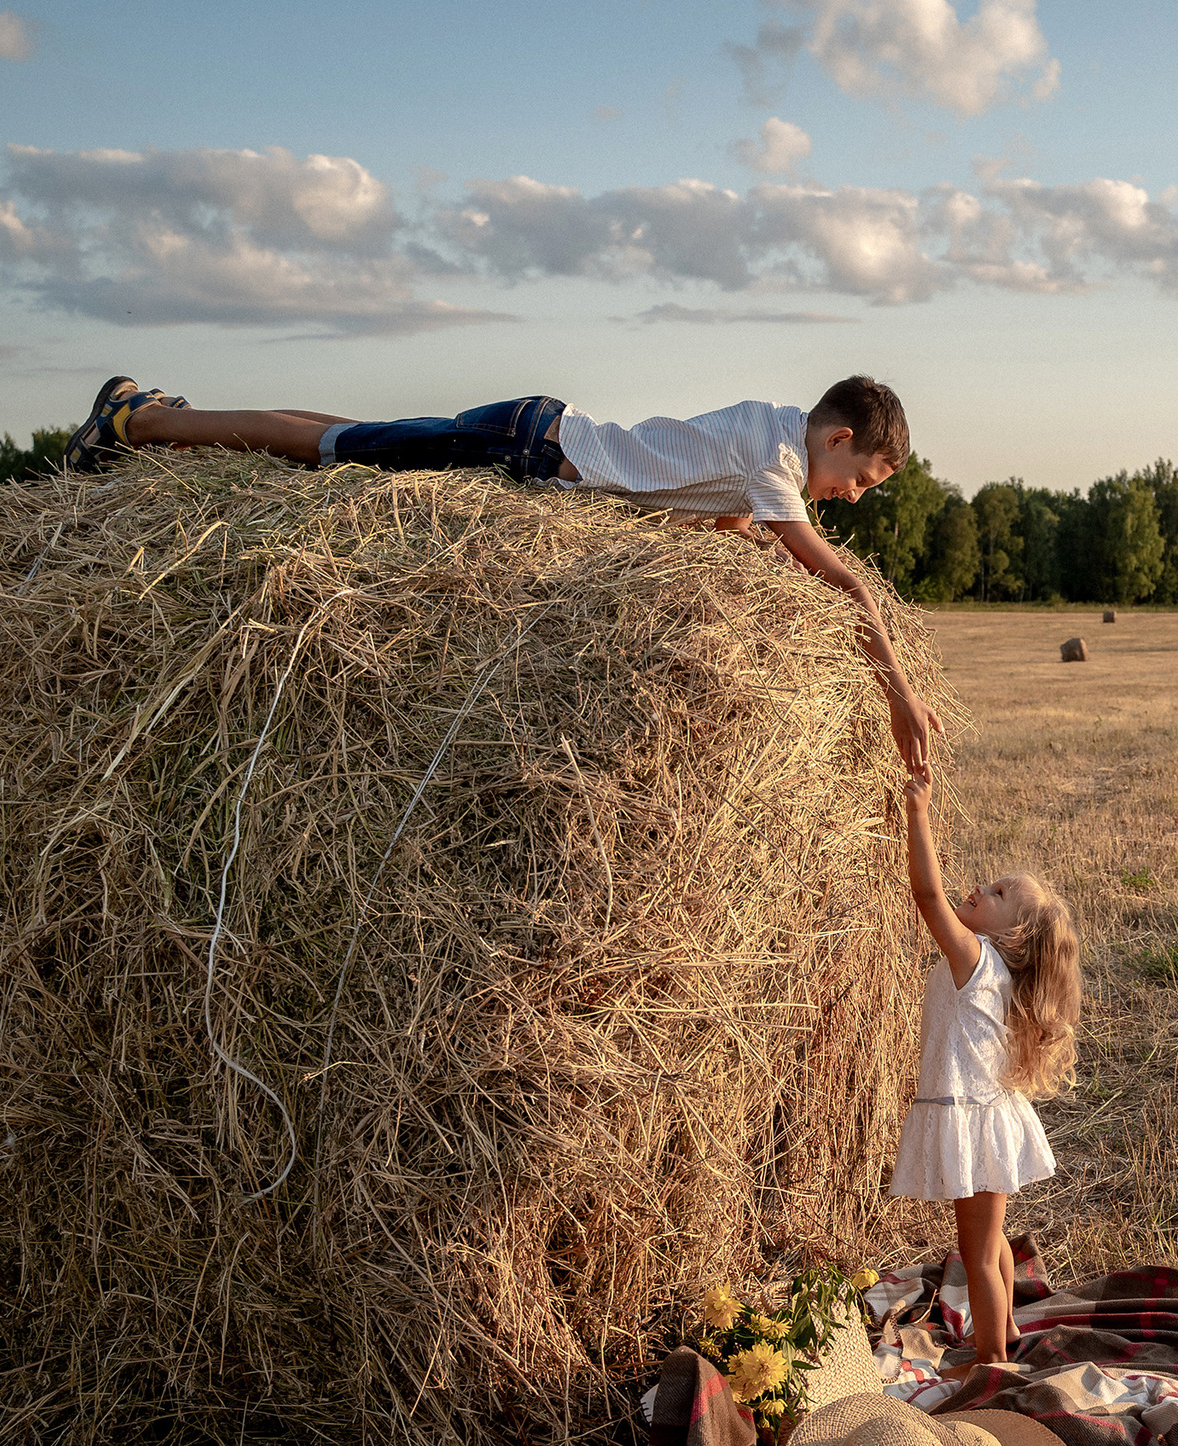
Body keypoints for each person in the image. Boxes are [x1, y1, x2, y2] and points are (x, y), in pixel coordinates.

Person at [61, 374, 940, 775]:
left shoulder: (769, 440)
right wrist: (896, 690)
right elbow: (841, 583)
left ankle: (173, 412)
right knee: (331, 448)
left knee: (350, 440)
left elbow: (723, 519)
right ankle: (138, 422)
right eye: (858, 479)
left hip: (532, 433)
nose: (852, 500)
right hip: (526, 446)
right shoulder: (779, 458)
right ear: (834, 441)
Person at [891, 771, 1080, 1364]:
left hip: (974, 1123)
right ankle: (1009, 1335)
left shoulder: (974, 960)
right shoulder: (997, 975)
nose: (981, 889)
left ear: (1013, 934)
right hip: (989, 1118)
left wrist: (917, 815)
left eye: (997, 895)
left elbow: (927, 898)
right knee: (989, 1240)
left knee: (975, 1254)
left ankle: (991, 1361)